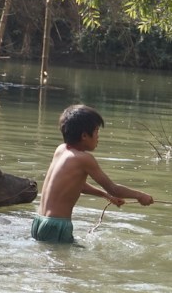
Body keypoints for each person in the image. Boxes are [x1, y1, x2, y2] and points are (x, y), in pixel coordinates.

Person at [32, 104, 154, 243]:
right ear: (84, 135)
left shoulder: (61, 150)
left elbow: (79, 185)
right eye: (96, 131)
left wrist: (105, 195)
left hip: (39, 221)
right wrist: (140, 196)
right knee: (67, 257)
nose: (98, 137)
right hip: (57, 225)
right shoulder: (85, 159)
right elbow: (114, 189)